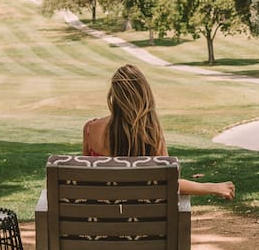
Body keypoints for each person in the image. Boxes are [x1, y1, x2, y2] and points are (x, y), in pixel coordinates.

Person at [82, 64, 236, 200]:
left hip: (99, 226)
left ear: (113, 95)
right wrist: (212, 187)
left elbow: (87, 180)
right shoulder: (150, 133)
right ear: (144, 95)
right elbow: (169, 182)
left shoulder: (91, 130)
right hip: (143, 228)